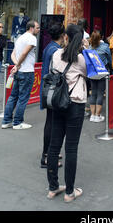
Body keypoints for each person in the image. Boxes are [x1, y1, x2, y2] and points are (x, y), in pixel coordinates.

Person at [46, 24, 87, 203]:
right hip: (75, 104)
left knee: (54, 147)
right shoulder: (81, 59)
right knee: (71, 148)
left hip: (57, 103)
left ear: (66, 37)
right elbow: (92, 74)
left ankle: (53, 187)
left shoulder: (56, 54)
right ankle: (70, 192)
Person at [2, 20, 40, 130]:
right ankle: (17, 122)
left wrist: (16, 65)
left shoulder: (20, 37)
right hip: (27, 71)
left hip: (19, 71)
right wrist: (18, 65)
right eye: (37, 27)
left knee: (13, 96)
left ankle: (6, 121)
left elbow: (13, 54)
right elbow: (24, 53)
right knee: (23, 98)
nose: (38, 29)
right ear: (31, 28)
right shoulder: (32, 38)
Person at [40, 24, 65, 168]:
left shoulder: (48, 47)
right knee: (52, 123)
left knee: (51, 121)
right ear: (62, 35)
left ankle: (50, 152)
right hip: (53, 89)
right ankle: (46, 156)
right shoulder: (56, 50)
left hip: (47, 87)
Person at [89, 30, 112, 122]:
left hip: (92, 73)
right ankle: (97, 115)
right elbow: (110, 60)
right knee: (100, 93)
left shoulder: (90, 47)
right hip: (102, 72)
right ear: (101, 38)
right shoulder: (105, 47)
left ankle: (92, 115)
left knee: (93, 93)